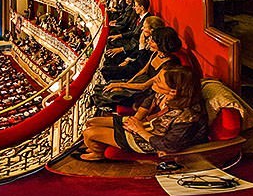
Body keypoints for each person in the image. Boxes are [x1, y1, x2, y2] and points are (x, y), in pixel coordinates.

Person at [77, 65, 207, 160]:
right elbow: (149, 100)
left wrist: (138, 129)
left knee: (89, 133)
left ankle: (98, 153)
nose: (154, 80)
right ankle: (99, 145)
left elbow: (168, 145)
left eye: (159, 80)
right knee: (91, 122)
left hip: (148, 139)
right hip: (146, 124)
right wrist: (137, 118)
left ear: (174, 91)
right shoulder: (167, 94)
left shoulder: (188, 118)